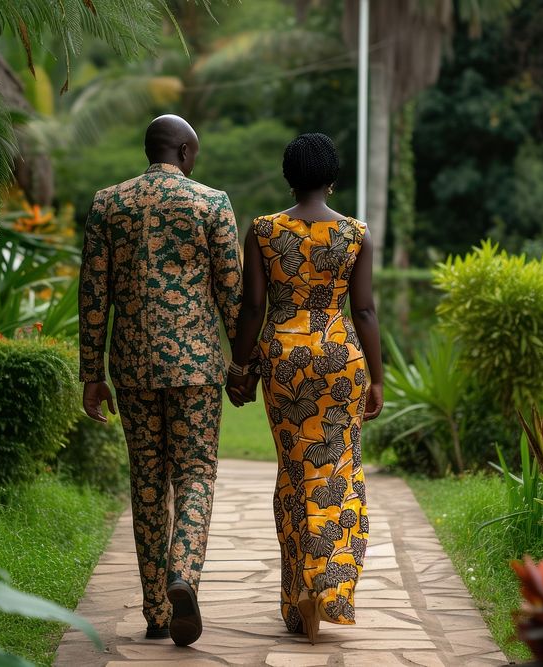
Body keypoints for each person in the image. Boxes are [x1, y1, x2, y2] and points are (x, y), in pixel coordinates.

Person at [78, 114, 242, 647]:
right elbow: (232, 296)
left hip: (132, 368)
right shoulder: (212, 203)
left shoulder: (109, 203)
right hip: (196, 369)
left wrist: (91, 374)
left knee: (148, 483)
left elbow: (92, 292)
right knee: (195, 474)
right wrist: (243, 366)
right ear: (186, 151)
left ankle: (156, 611)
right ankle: (183, 574)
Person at [225, 133, 383, 644]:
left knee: (296, 473)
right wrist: (377, 378)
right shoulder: (356, 233)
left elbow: (252, 307)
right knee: (338, 467)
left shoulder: (265, 230)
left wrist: (241, 366)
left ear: (288, 177)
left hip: (285, 359)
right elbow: (363, 311)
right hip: (340, 361)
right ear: (332, 180)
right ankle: (328, 585)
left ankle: (299, 598)